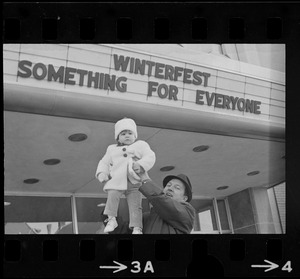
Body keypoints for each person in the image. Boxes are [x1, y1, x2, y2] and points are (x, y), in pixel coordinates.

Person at [95, 118, 156, 234]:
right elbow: (104, 162)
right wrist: (102, 173)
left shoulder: (141, 145)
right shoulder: (111, 149)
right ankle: (111, 220)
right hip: (117, 180)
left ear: (135, 135)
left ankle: (137, 227)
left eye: (130, 133)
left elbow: (150, 156)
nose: (127, 136)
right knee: (112, 197)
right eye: (123, 134)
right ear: (117, 137)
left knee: (135, 205)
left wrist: (142, 165)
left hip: (134, 181)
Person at [100, 171, 195, 234]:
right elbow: (122, 231)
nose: (170, 188)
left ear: (185, 198)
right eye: (168, 185)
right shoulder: (147, 217)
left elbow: (164, 202)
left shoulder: (188, 212)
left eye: (177, 188)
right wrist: (108, 212)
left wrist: (145, 179)